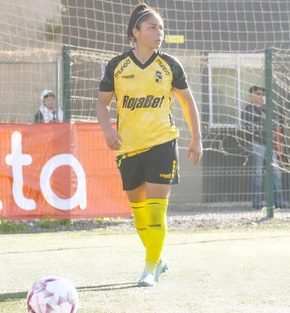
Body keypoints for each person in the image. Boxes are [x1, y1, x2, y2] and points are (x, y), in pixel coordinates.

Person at [96, 2, 202, 287]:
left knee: (156, 211)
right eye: (152, 27)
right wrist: (107, 129)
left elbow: (187, 102)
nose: (159, 33)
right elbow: (103, 104)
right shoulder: (117, 66)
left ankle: (149, 268)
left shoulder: (169, 65)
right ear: (136, 32)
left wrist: (196, 138)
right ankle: (159, 258)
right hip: (128, 148)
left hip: (163, 143)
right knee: (140, 215)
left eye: (161, 28)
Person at [241, 86, 287, 210]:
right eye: (258, 94)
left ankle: (279, 201)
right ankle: (257, 202)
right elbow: (247, 126)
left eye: (262, 94)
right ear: (251, 96)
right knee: (258, 174)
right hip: (257, 144)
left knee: (276, 173)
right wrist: (260, 120)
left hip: (270, 144)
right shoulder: (248, 109)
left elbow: (275, 125)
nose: (260, 96)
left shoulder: (268, 109)